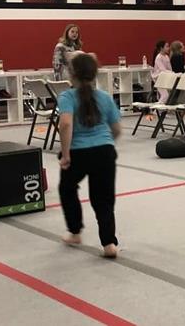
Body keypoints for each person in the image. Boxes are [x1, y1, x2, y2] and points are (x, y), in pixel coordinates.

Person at [57, 52, 121, 259]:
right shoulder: (105, 97)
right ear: (94, 74)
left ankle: (75, 231)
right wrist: (106, 144)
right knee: (103, 199)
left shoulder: (67, 97)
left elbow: (65, 124)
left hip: (78, 152)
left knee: (67, 189)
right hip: (104, 151)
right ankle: (109, 243)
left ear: (71, 74)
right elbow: (117, 129)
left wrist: (65, 154)